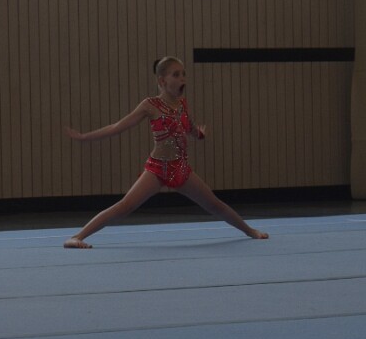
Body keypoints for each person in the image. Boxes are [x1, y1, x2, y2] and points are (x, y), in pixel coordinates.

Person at [63, 57, 269, 248]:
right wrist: (85, 137)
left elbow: (189, 128)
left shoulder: (182, 105)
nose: (182, 78)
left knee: (214, 205)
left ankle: (250, 231)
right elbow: (118, 126)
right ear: (162, 81)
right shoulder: (150, 105)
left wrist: (200, 134)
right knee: (125, 206)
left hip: (180, 168)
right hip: (158, 168)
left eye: (183, 74)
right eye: (176, 75)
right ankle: (77, 237)